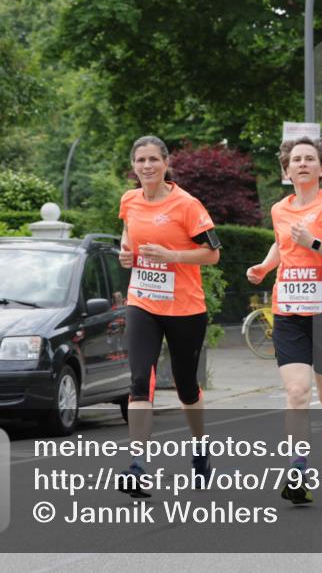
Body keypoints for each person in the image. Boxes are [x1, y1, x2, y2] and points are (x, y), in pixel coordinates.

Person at [246, 137, 322, 504]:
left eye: (310, 158)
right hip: (289, 311)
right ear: (287, 169)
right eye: (296, 159)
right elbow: (283, 243)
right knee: (296, 393)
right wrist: (266, 266)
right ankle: (297, 470)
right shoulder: (281, 209)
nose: (303, 164)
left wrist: (314, 243)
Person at [116, 136, 222, 497]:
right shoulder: (129, 200)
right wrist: (125, 253)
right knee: (138, 380)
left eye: (153, 160)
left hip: (185, 307)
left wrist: (171, 256)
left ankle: (200, 448)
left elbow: (212, 255)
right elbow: (128, 234)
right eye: (140, 160)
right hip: (143, 301)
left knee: (186, 386)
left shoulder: (187, 205)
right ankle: (138, 466)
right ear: (133, 165)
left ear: (165, 163)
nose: (146, 166)